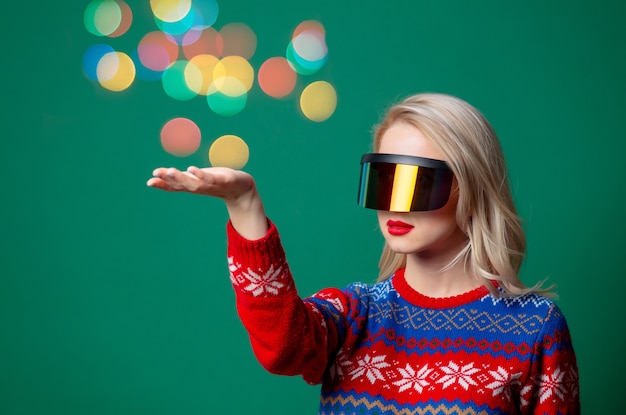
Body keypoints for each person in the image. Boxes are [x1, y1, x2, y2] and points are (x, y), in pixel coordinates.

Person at [147, 93, 580, 414]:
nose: (395, 204)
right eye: (382, 181)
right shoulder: (354, 314)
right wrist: (244, 204)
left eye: (416, 183)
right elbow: (282, 346)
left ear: (471, 187)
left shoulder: (534, 326)